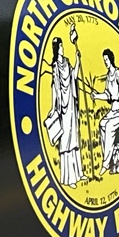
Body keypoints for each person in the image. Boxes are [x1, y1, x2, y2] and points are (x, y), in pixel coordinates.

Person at [44, 34, 83, 187]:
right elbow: (54, 87)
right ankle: (69, 178)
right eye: (59, 46)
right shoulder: (55, 67)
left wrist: (77, 60)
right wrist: (53, 108)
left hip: (72, 104)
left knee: (74, 138)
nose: (62, 48)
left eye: (61, 45)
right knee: (66, 140)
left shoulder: (67, 62)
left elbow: (74, 76)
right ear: (56, 49)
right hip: (63, 108)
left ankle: (78, 173)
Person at [95, 48, 119, 177]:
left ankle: (105, 164)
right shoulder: (108, 77)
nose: (105, 62)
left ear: (111, 59)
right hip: (112, 111)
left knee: (109, 127)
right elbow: (107, 94)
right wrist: (96, 96)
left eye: (106, 59)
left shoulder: (117, 73)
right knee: (102, 124)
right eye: (104, 60)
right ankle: (109, 156)